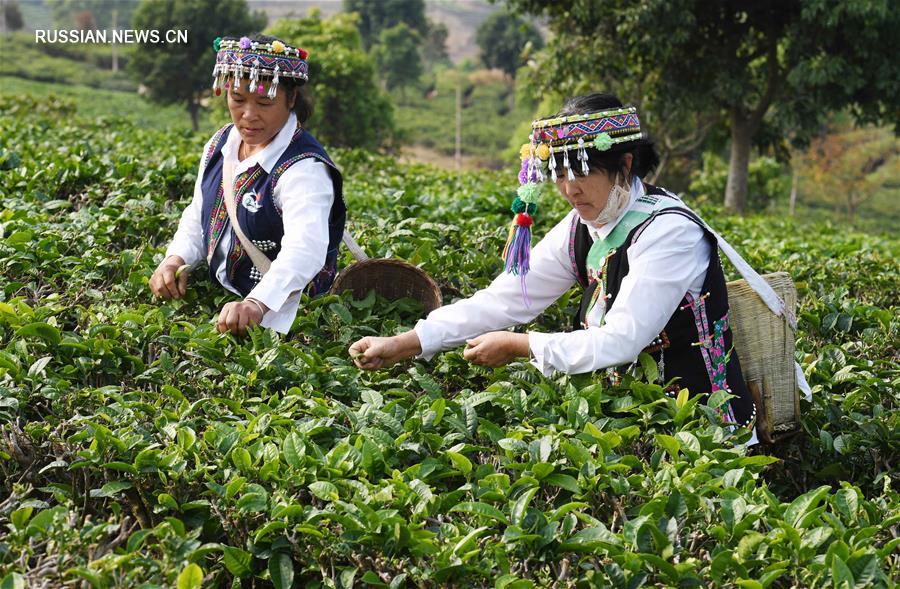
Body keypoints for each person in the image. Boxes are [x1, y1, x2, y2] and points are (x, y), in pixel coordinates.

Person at [350, 92, 771, 441]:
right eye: (560, 173)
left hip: (703, 430)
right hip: (625, 418)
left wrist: (522, 345)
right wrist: (406, 342)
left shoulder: (668, 232)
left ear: (624, 164)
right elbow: (508, 298)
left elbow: (620, 341)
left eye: (583, 172)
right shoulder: (584, 225)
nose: (570, 189)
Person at [149, 34, 346, 335]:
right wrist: (175, 259)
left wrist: (256, 303)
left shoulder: (304, 169)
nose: (249, 115)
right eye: (238, 100)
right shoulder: (221, 143)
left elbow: (305, 250)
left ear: (291, 99)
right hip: (224, 299)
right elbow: (200, 213)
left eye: (265, 102)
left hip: (283, 318)